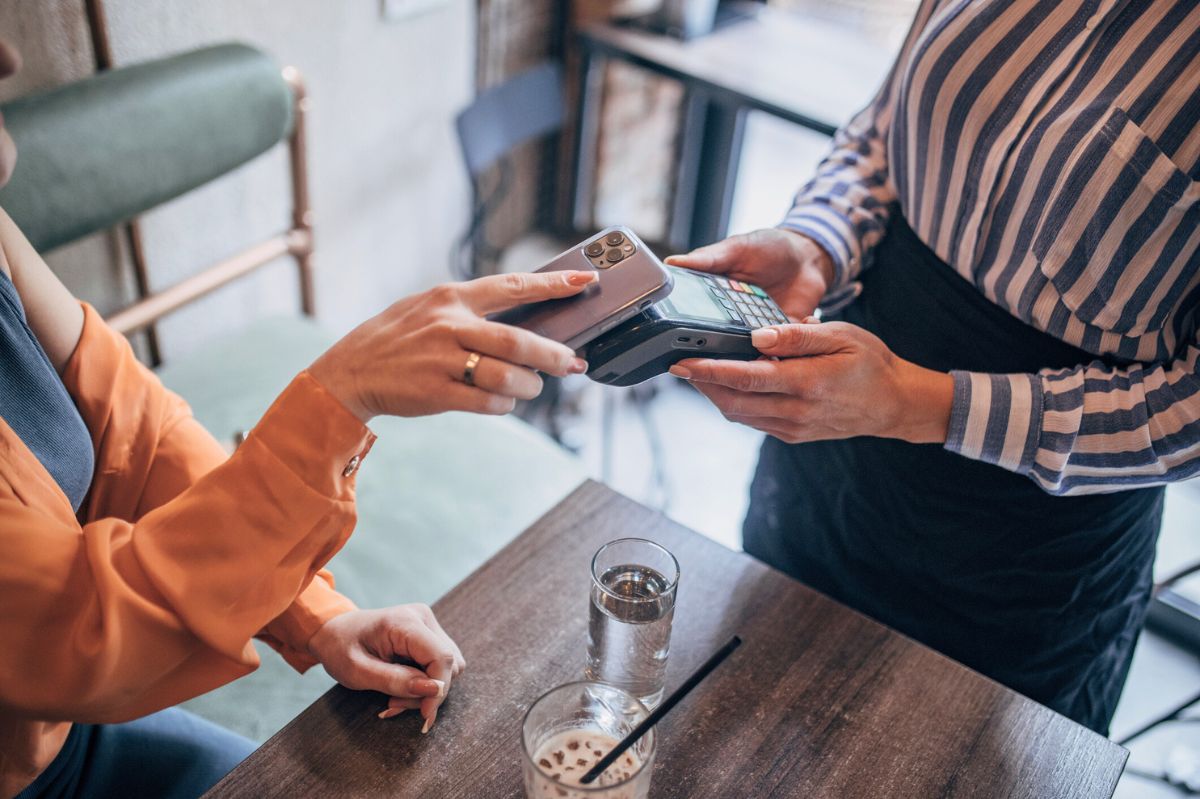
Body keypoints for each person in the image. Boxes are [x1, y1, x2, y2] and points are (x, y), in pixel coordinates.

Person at [0, 38, 596, 799]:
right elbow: (74, 630)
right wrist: (338, 394)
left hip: (65, 740)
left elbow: (135, 429)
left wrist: (316, 616)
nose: (8, 56)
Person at [666, 0, 1199, 735]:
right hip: (832, 462)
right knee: (743, 733)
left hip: (1030, 552)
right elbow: (883, 132)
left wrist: (914, 402)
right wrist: (815, 244)